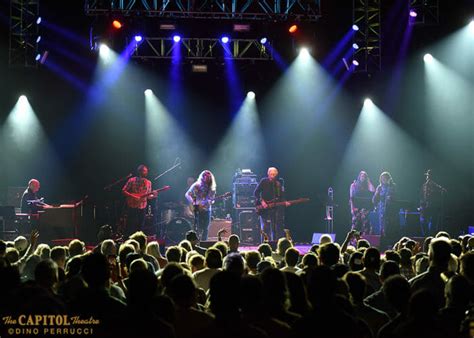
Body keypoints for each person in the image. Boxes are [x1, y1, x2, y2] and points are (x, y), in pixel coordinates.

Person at [254, 167, 289, 242]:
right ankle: (264, 244)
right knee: (265, 228)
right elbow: (256, 192)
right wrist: (262, 201)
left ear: (276, 175)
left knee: (275, 228)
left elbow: (282, 195)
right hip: (264, 208)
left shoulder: (279, 182)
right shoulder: (264, 181)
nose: (272, 176)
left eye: (274, 174)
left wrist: (284, 202)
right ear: (268, 174)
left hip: (275, 209)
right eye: (271, 174)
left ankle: (274, 244)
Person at [122, 165, 156, 236]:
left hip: (142, 206)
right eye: (144, 171)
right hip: (132, 205)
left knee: (140, 226)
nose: (146, 172)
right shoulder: (132, 180)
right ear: (139, 171)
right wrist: (133, 196)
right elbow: (124, 190)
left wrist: (154, 195)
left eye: (146, 171)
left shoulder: (149, 182)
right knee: (130, 225)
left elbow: (148, 196)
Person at [185, 170, 216, 241]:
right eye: (205, 178)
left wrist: (211, 201)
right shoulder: (196, 185)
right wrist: (193, 202)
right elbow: (187, 194)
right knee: (198, 228)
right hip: (198, 209)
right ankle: (196, 242)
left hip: (207, 209)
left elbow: (212, 199)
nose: (206, 180)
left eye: (208, 178)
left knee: (206, 228)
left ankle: (204, 243)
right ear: (202, 177)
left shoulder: (212, 187)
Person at [373, 171, 397, 248]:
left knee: (390, 227)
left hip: (391, 211)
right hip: (381, 210)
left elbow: (396, 198)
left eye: (385, 178)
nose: (384, 180)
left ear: (389, 178)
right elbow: (374, 200)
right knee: (382, 228)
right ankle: (382, 245)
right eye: (382, 178)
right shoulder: (379, 187)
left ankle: (390, 244)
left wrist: (391, 197)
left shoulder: (393, 186)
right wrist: (376, 193)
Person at [419, 169, 446, 236]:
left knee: (432, 222)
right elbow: (421, 196)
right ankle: (426, 235)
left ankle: (430, 235)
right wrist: (421, 205)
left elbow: (442, 191)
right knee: (424, 221)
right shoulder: (424, 185)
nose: (427, 177)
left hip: (432, 206)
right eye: (427, 176)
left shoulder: (434, 185)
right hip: (425, 206)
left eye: (428, 176)